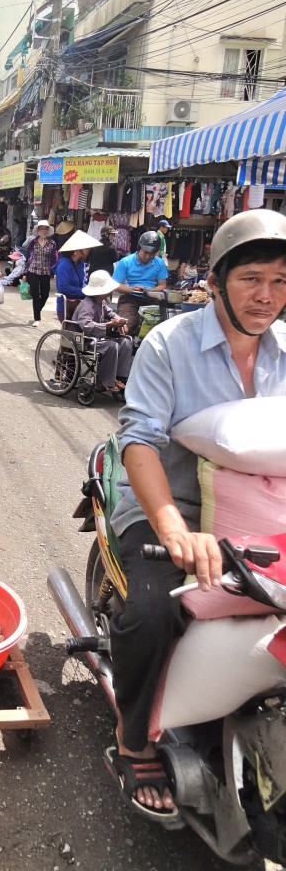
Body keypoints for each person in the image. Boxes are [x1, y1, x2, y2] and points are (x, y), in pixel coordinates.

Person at [106, 208, 286, 819]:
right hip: (168, 510)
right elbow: (139, 442)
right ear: (215, 283)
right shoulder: (169, 344)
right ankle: (133, 740)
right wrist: (177, 531)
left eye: (282, 282)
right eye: (252, 279)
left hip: (267, 517)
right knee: (152, 613)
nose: (268, 297)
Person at [72, 270, 132, 393]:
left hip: (99, 338)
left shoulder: (101, 302)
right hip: (86, 340)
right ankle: (105, 381)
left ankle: (119, 377)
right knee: (112, 346)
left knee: (126, 342)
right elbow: (87, 326)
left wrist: (119, 320)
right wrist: (109, 324)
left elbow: (110, 313)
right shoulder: (87, 305)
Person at [113, 231, 169, 333]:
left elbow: (162, 285)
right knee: (126, 325)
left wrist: (150, 291)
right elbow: (115, 285)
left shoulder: (160, 263)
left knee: (161, 327)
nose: (148, 256)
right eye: (145, 252)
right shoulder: (125, 262)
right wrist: (131, 290)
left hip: (152, 298)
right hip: (129, 299)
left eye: (151, 253)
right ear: (139, 248)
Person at [54, 230, 101, 322]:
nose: (88, 250)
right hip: (67, 307)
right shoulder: (64, 264)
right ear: (77, 250)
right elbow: (64, 288)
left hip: (80, 304)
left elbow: (83, 282)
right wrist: (85, 291)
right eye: (86, 248)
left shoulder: (80, 264)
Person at [22, 219, 58, 327]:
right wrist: (25, 273)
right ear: (38, 230)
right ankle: (37, 318)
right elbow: (28, 257)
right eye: (42, 229)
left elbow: (55, 258)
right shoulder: (33, 242)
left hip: (45, 272)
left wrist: (56, 271)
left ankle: (37, 310)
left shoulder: (52, 243)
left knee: (45, 294)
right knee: (35, 294)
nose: (43, 231)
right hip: (33, 270)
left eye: (45, 229)